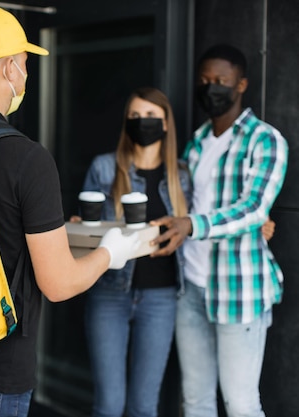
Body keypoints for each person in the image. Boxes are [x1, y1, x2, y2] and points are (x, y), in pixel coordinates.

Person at [0, 6, 141, 417]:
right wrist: (112, 251)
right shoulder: (26, 158)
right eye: (24, 64)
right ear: (8, 70)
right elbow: (58, 284)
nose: (25, 74)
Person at [151, 44, 288, 417]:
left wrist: (192, 224)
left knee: (241, 404)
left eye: (221, 81)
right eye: (204, 81)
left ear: (241, 84)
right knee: (195, 402)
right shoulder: (196, 143)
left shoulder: (265, 140)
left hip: (238, 289)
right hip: (190, 286)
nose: (211, 88)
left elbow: (253, 207)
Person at [71, 87, 191, 417]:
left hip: (161, 299)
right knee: (109, 406)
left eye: (152, 116)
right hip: (109, 294)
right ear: (126, 122)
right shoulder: (105, 168)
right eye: (135, 117)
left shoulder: (182, 175)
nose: (143, 123)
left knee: (143, 406)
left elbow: (201, 222)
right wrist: (82, 226)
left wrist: (262, 222)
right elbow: (88, 228)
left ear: (166, 124)